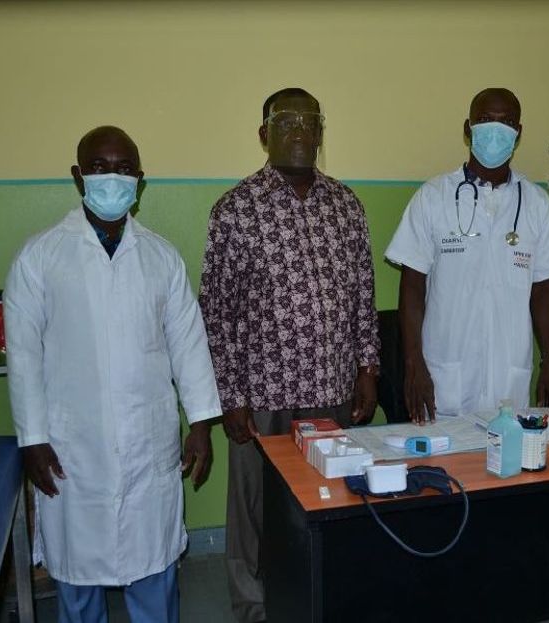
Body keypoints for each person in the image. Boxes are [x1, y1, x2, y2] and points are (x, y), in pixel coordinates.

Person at [4, 126, 222, 623]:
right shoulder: (40, 257)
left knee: (154, 567)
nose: (112, 178)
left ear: (140, 180)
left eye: (124, 168)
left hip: (149, 440)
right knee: (77, 576)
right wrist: (32, 439)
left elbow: (188, 344)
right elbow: (23, 357)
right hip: (71, 444)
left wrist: (203, 423)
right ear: (78, 176)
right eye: (100, 168)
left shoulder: (161, 258)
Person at [199, 87, 380, 623]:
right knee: (254, 514)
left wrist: (368, 369)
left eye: (311, 123)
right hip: (262, 397)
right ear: (264, 135)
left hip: (331, 389)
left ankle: (326, 598)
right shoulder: (236, 209)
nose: (301, 132)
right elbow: (217, 312)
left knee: (330, 502)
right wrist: (229, 397)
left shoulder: (346, 205)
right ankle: (254, 610)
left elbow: (363, 296)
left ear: (321, 134)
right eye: (287, 122)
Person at [385, 88, 549, 423]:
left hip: (509, 381)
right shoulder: (434, 197)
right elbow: (412, 286)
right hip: (444, 379)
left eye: (506, 122)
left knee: (509, 468)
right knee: (444, 471)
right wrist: (413, 363)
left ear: (518, 133)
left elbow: (544, 290)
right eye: (486, 120)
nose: (495, 129)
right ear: (468, 127)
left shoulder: (536, 203)